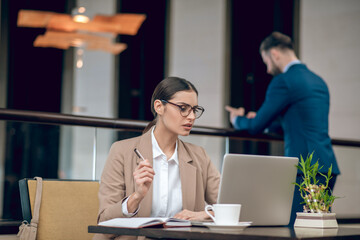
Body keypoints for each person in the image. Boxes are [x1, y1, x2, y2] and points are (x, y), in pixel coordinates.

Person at [225, 32, 340, 225]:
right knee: (318, 228)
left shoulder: (283, 81)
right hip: (327, 167)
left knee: (297, 228)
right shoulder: (318, 81)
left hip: (306, 170)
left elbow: (254, 127)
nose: (268, 69)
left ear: (274, 53)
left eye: (266, 61)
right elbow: (300, 121)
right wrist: (267, 122)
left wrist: (237, 119)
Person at [95, 77, 220, 239]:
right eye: (183, 108)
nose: (191, 117)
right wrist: (136, 197)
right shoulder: (121, 151)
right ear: (159, 107)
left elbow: (229, 206)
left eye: (194, 110)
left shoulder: (199, 156)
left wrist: (205, 214)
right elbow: (104, 220)